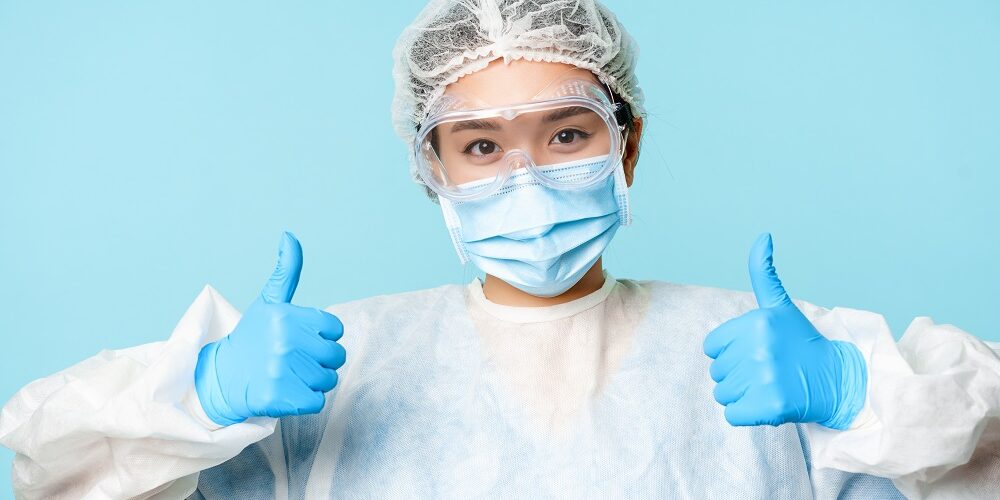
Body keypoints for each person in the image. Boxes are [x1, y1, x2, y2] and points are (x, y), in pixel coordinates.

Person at [2, 0, 999, 498]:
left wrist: (861, 392)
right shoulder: (319, 373)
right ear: (428, 168)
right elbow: (49, 462)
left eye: (565, 134)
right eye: (480, 145)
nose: (526, 178)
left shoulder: (775, 358)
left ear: (627, 142)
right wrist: (203, 393)